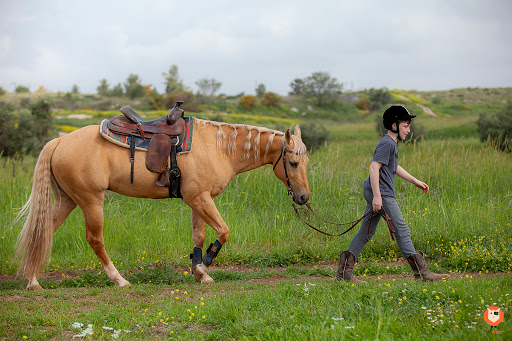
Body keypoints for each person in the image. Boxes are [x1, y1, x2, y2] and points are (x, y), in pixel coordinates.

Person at [336, 105, 449, 283]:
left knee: (366, 232)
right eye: (405, 126)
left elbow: (393, 166)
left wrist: (415, 181)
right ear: (394, 125)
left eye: (409, 126)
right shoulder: (387, 143)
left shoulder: (391, 144)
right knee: (402, 229)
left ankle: (343, 275)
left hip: (377, 192)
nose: (409, 130)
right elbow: (374, 167)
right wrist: (378, 196)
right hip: (383, 194)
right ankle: (423, 274)